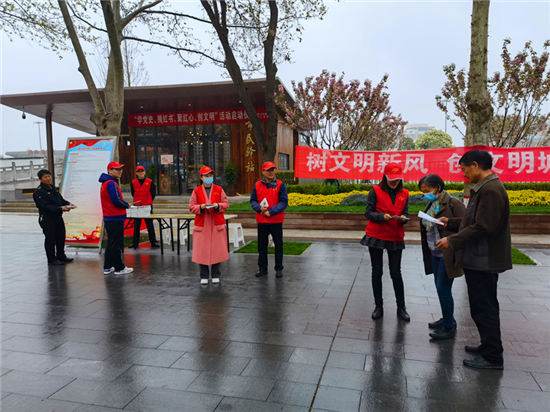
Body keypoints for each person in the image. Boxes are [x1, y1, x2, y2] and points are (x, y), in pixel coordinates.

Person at [437, 149, 511, 370]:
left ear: (476, 165)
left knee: (484, 308)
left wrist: (452, 240)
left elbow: (483, 227)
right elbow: (473, 220)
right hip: (478, 258)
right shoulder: (485, 188)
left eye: (465, 169)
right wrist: (450, 223)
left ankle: (493, 356)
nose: (464, 174)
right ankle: (487, 346)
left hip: (484, 259)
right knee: (481, 307)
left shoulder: (491, 190)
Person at [418, 174, 466, 340]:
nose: (425, 194)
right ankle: (447, 318)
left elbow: (466, 224)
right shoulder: (433, 203)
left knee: (443, 288)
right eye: (423, 191)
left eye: (427, 190)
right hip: (434, 251)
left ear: (438, 187)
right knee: (440, 288)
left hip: (447, 252)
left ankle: (448, 327)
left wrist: (448, 225)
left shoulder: (453, 203)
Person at [361, 163, 410, 321]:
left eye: (397, 179)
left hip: (395, 235)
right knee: (377, 271)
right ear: (385, 177)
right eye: (391, 179)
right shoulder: (375, 191)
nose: (394, 182)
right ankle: (378, 306)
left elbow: (406, 214)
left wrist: (404, 219)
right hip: (377, 234)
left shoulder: (405, 193)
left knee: (396, 272)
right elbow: (368, 213)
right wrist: (381, 217)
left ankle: (401, 307)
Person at [189, 166, 229, 285]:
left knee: (217, 250)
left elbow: (225, 203)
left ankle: (216, 274)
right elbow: (192, 206)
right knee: (202, 251)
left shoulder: (219, 189)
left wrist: (218, 206)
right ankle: (204, 275)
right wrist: (200, 207)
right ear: (201, 178)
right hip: (202, 224)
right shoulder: (196, 191)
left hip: (216, 223)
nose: (209, 177)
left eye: (210, 175)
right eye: (206, 176)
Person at [250, 161, 288, 279]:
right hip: (262, 221)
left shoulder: (280, 185)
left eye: (272, 170)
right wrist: (260, 209)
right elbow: (253, 201)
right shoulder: (257, 185)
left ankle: (279, 268)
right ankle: (262, 268)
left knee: (278, 246)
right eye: (268, 170)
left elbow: (284, 202)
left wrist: (271, 212)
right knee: (262, 246)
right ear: (263, 172)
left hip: (276, 220)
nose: (271, 172)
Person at [33, 169, 76, 265]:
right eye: (45, 177)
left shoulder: (53, 188)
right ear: (40, 179)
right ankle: (52, 259)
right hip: (47, 219)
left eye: (49, 176)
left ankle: (61, 256)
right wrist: (60, 208)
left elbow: (60, 200)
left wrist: (68, 204)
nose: (48, 178)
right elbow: (45, 206)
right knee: (50, 239)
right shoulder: (39, 192)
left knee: (60, 237)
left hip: (58, 217)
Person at [99, 162, 133, 275]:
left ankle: (108, 266)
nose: (120, 171)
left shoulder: (106, 183)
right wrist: (126, 205)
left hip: (110, 217)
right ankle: (119, 268)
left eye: (121, 169)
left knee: (111, 242)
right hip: (115, 216)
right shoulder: (111, 183)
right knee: (116, 243)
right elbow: (116, 200)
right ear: (110, 170)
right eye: (117, 169)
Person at [129, 165, 159, 249]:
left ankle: (153, 242)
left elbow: (153, 193)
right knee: (136, 225)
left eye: (142, 171)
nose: (141, 173)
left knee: (150, 225)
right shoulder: (133, 182)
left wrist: (147, 200)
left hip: (147, 206)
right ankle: (135, 243)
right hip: (137, 206)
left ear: (145, 172)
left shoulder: (150, 181)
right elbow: (133, 193)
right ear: (136, 173)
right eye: (139, 171)